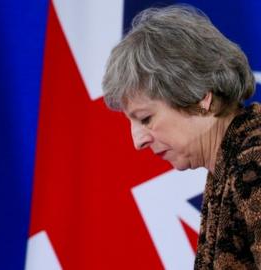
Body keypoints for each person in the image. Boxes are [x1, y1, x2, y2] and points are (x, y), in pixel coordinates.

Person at [102, 4, 261, 269]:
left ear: (201, 98)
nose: (137, 141)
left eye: (145, 119)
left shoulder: (254, 160)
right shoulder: (230, 160)